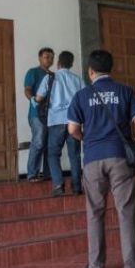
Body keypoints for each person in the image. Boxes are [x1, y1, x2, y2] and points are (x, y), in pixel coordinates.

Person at [67, 49, 135, 268]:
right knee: (126, 211)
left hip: (92, 160)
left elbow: (72, 130)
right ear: (110, 69)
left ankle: (96, 266)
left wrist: (88, 140)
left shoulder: (81, 96)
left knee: (95, 212)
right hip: (120, 158)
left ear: (90, 71)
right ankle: (132, 267)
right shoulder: (126, 91)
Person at [36, 51, 85, 197]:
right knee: (74, 155)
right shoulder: (78, 80)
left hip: (56, 121)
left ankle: (58, 184)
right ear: (71, 64)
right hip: (74, 121)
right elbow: (83, 100)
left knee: (53, 153)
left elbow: (38, 98)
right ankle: (77, 187)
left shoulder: (50, 78)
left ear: (58, 62)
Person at [24, 47, 54, 182]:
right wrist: (33, 100)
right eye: (47, 57)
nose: (50, 59)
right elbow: (27, 89)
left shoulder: (54, 75)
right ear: (40, 58)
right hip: (36, 113)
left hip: (51, 114)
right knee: (39, 140)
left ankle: (48, 174)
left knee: (49, 143)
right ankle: (32, 174)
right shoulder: (33, 72)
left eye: (52, 57)